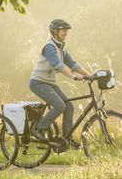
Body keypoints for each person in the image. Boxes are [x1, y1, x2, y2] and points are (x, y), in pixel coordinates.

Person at [29, 19, 91, 150]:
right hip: (38, 83)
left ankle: (66, 139)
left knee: (69, 106)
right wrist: (73, 76)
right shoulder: (49, 47)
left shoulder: (61, 47)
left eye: (66, 31)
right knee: (59, 105)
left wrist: (90, 75)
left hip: (49, 83)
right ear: (55, 32)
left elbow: (73, 64)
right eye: (63, 30)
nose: (66, 33)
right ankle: (38, 129)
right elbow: (59, 65)